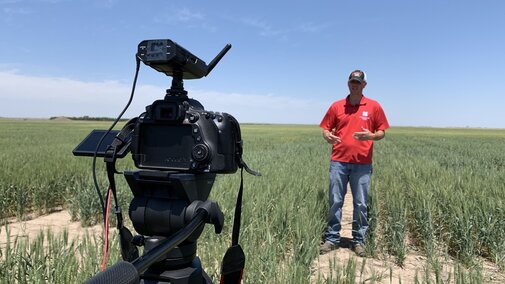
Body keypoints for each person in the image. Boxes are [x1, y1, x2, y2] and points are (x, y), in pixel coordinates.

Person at [319, 69, 389, 256]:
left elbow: (382, 131)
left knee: (360, 203)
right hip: (339, 161)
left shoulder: (374, 106)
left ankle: (359, 241)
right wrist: (327, 136)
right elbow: (325, 128)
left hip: (362, 164)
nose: (354, 85)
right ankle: (332, 238)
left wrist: (371, 135)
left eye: (358, 82)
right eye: (352, 81)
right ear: (348, 83)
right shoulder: (336, 106)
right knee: (335, 201)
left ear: (364, 85)